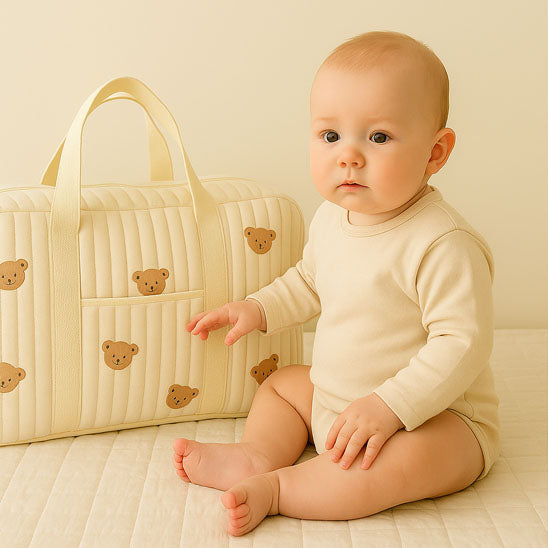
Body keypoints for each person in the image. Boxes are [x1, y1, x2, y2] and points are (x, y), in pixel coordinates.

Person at [173, 30, 500, 537]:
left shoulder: (442, 243)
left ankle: (280, 489)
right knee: (282, 386)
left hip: (434, 418)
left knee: (395, 466)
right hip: (338, 401)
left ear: (435, 153)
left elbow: (462, 343)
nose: (349, 156)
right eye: (330, 137)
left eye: (378, 137)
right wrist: (257, 308)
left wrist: (389, 407)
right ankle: (257, 455)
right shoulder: (331, 217)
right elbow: (309, 281)